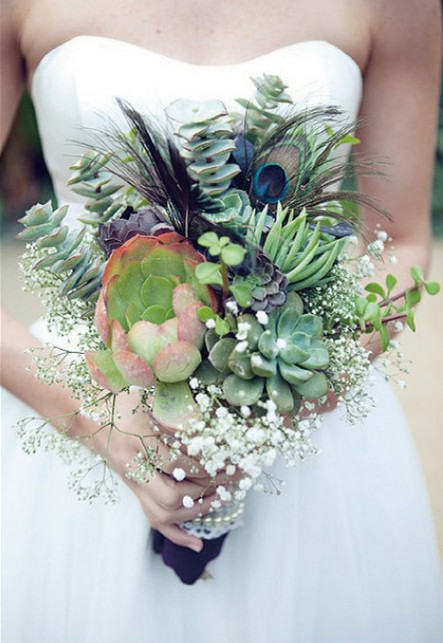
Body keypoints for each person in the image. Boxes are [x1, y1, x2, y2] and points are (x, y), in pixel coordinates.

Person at [1, 0, 443, 641]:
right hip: (83, 418)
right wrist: (101, 420)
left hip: (308, 440)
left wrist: (279, 404)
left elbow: (402, 242)